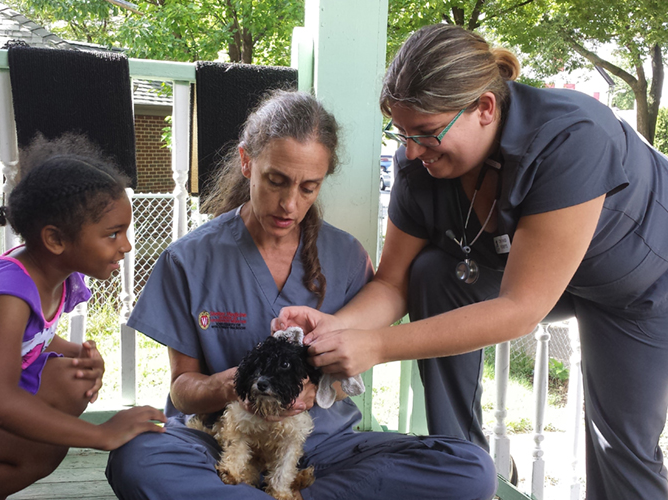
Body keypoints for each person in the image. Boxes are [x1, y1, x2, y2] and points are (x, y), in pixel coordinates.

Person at [273, 24, 668, 500]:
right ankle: (463, 471)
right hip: (533, 278)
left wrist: (378, 345)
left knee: (620, 445)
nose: (412, 151)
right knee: (432, 273)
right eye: (403, 133)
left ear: (485, 107)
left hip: (640, 286)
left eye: (426, 133)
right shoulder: (420, 165)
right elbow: (394, 282)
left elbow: (521, 309)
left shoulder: (571, 137)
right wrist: (333, 332)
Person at [106, 89, 497, 500]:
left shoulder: (345, 257)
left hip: (322, 450)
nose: (289, 204)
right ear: (246, 162)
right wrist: (233, 386)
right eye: (276, 181)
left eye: (309, 188)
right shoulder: (188, 259)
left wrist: (317, 390)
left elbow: (347, 382)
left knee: (469, 469)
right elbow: (182, 390)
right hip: (222, 446)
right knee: (135, 456)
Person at [0, 134, 166, 500]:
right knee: (40, 449)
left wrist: (75, 352)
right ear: (55, 239)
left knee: (71, 379)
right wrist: (102, 434)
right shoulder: (9, 293)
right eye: (113, 234)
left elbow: (28, 338)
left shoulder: (51, 275)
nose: (126, 246)